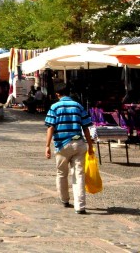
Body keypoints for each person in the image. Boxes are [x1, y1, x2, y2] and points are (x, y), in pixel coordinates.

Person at [44, 83, 95, 214]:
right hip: (79, 143)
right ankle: (80, 206)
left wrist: (47, 146)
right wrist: (90, 145)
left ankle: (64, 199)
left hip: (62, 145)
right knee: (79, 174)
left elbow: (50, 127)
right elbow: (86, 127)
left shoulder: (54, 107)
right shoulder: (78, 106)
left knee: (62, 173)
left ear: (57, 94)